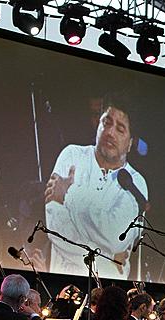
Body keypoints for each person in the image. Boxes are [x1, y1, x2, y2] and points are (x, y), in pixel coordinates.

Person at [44, 96, 148, 279]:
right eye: (106, 123)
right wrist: (107, 261)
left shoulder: (136, 183)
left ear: (131, 142)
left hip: (109, 291)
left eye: (120, 129)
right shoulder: (72, 155)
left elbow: (116, 238)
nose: (110, 132)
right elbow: (56, 229)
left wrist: (68, 194)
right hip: (63, 282)